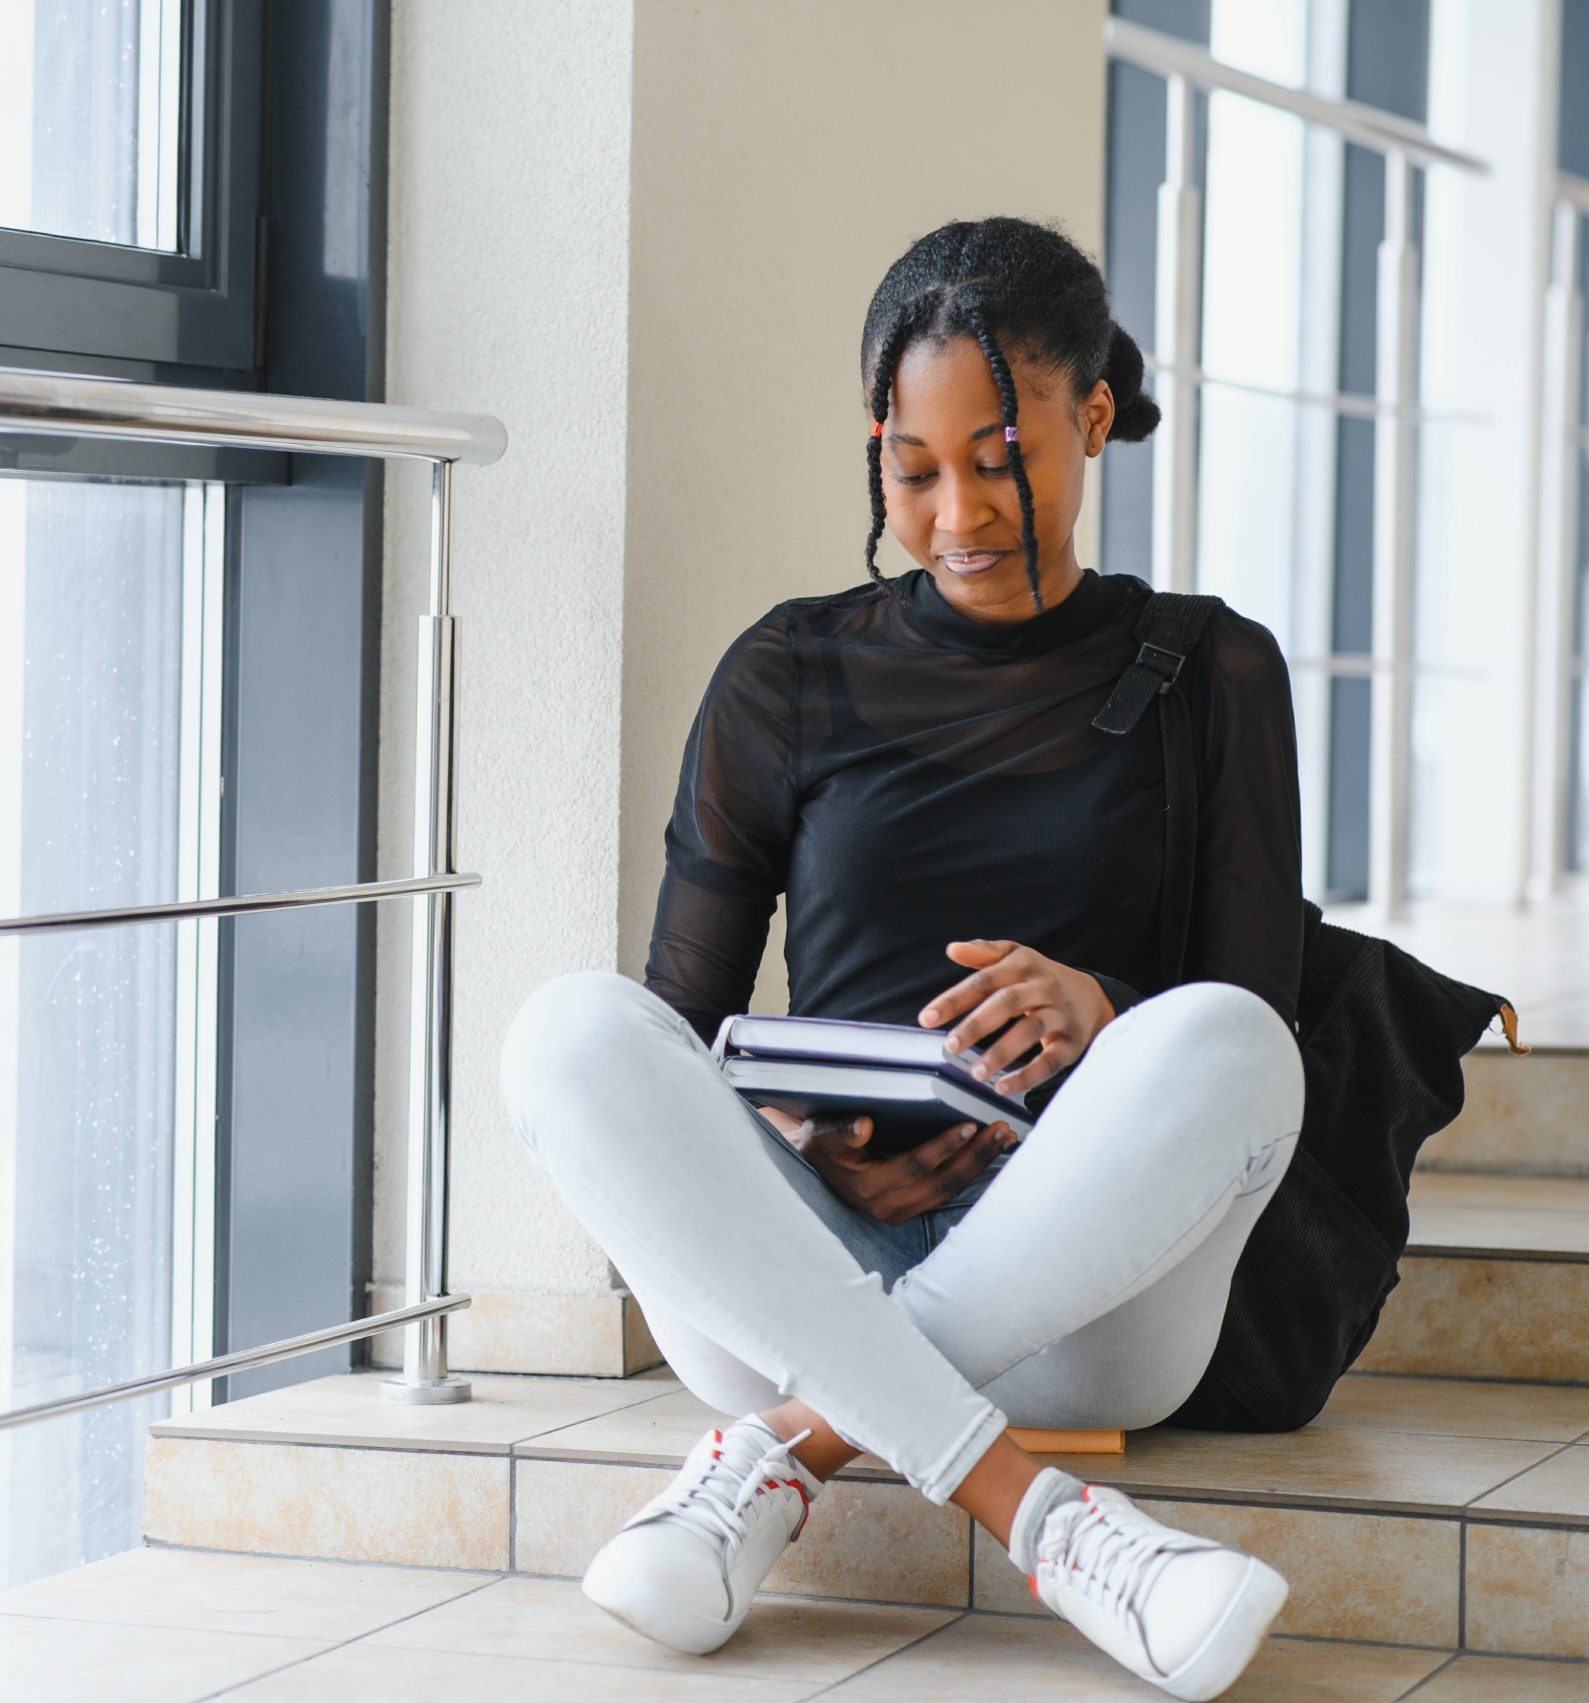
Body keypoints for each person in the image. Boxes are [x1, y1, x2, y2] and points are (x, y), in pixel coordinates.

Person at [497, 216, 1308, 1703]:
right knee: (567, 1033)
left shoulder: (1212, 669)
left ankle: (780, 1461)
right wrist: (793, 1131)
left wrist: (1101, 1011)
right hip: (805, 1270)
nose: (957, 516)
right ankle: (1055, 1530)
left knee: (1230, 1046)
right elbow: (676, 1034)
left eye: (1000, 458)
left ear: (1094, 420)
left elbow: (1257, 1000)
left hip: (1088, 1312)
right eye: (912, 468)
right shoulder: (785, 673)